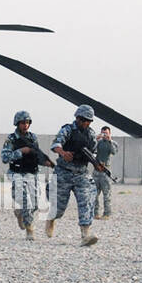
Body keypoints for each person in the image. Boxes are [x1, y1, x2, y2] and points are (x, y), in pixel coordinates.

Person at [46, 104, 99, 246]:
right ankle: (51, 219)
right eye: (83, 120)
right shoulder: (67, 130)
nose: (85, 123)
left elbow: (94, 152)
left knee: (86, 201)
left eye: (88, 121)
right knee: (58, 208)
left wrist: (96, 163)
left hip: (81, 173)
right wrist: (63, 153)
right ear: (77, 118)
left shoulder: (91, 134)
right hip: (64, 172)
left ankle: (85, 235)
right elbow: (55, 144)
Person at [0, 110, 50, 240]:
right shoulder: (11, 139)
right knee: (24, 201)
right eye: (22, 123)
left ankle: (20, 213)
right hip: (17, 173)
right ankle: (30, 229)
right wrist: (21, 151)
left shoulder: (33, 138)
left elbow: (36, 154)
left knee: (35, 203)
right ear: (17, 123)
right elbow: (5, 158)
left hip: (32, 173)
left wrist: (45, 162)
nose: (25, 125)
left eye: (27, 122)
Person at [93, 126, 118, 219]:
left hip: (105, 171)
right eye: (103, 133)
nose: (104, 135)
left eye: (106, 133)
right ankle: (95, 213)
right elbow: (91, 149)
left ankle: (107, 213)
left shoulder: (113, 143)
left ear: (109, 133)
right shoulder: (98, 143)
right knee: (94, 194)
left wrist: (110, 141)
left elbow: (114, 152)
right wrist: (95, 139)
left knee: (107, 194)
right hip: (96, 171)